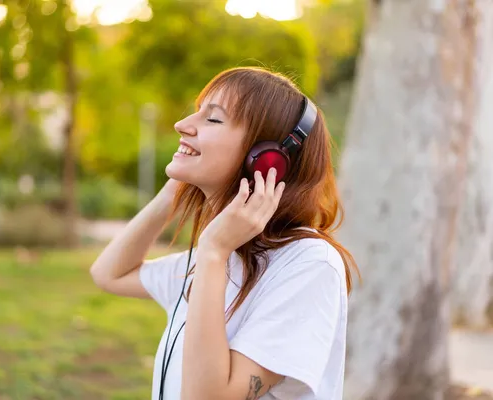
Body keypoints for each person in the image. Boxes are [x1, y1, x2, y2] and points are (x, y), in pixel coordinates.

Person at [90, 66, 359, 400]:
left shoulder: (309, 265)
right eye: (197, 111)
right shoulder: (223, 257)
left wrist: (214, 252)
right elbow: (109, 274)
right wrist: (170, 195)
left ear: (266, 160)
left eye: (212, 119)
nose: (182, 125)